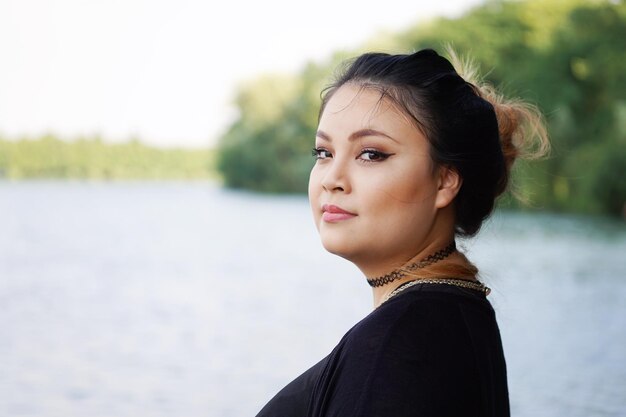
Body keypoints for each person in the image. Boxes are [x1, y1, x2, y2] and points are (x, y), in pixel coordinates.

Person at [256, 48, 549, 417]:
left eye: (372, 154)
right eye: (323, 152)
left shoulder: (403, 341)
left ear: (445, 181)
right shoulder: (448, 317)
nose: (332, 179)